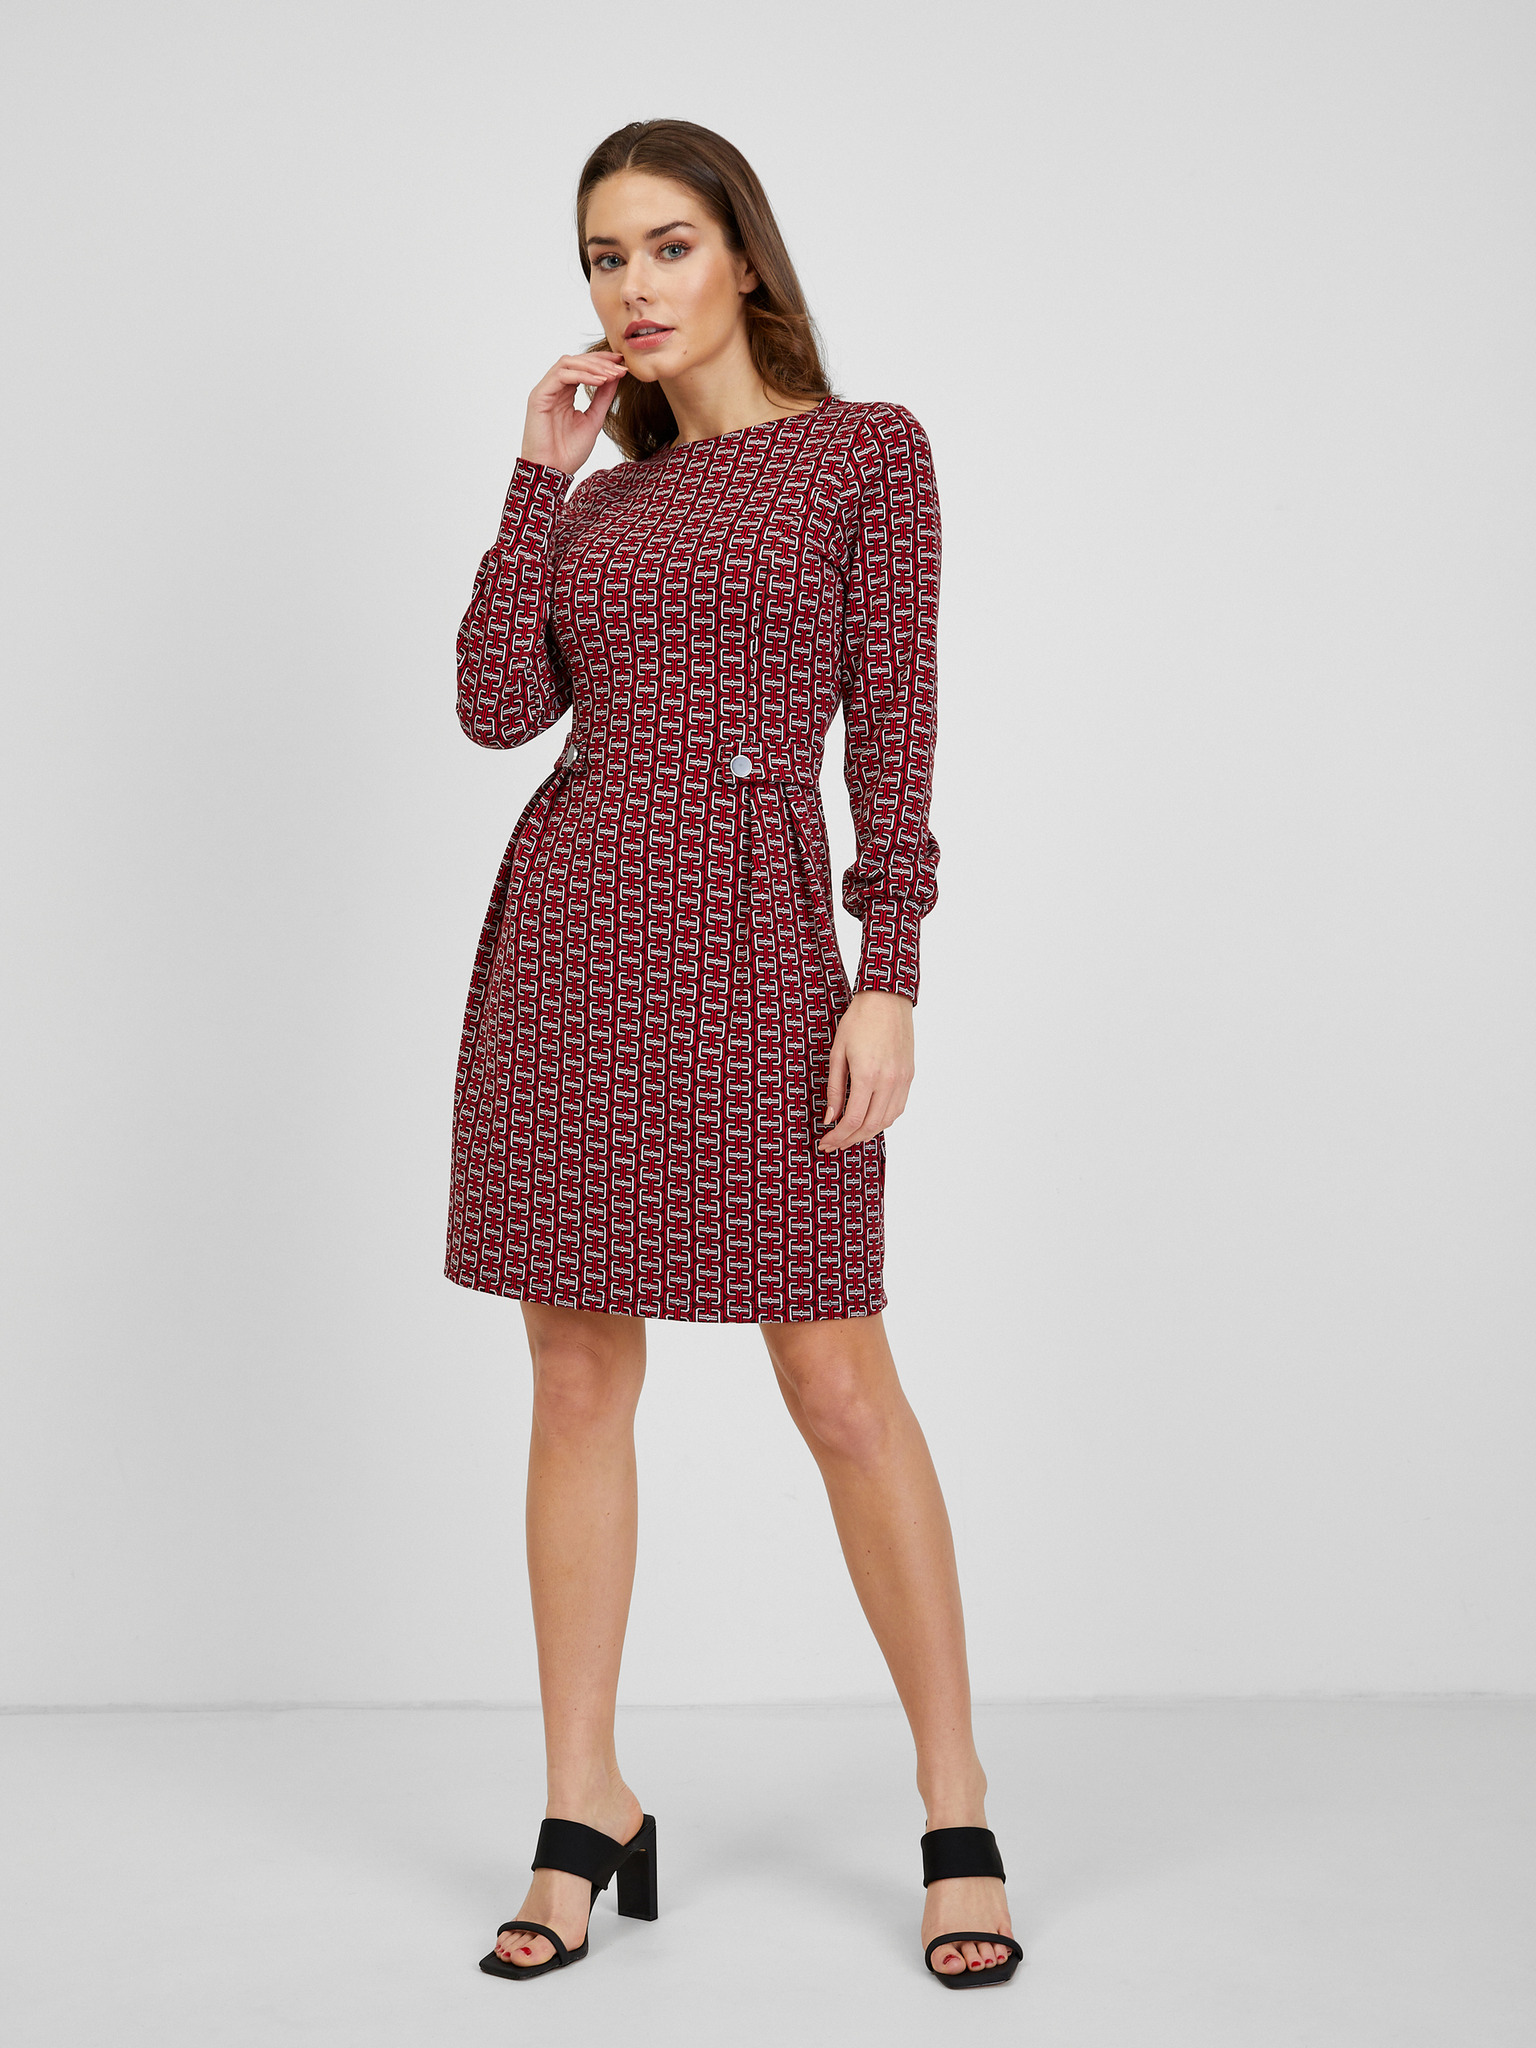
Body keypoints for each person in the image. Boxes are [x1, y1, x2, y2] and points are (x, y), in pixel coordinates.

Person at [448, 117, 1019, 1989]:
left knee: (836, 1378)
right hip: (572, 936)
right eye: (603, 256)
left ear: (745, 258)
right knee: (573, 1375)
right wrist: (535, 479)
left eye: (667, 246)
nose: (631, 287)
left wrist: (890, 969)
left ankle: (956, 1805)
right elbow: (493, 706)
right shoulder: (597, 504)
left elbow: (899, 724)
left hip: (764, 943)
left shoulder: (866, 454)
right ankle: (583, 1805)